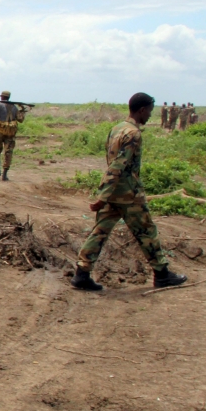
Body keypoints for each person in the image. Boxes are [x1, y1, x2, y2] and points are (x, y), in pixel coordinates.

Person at [71, 93, 186, 292]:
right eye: (149, 111)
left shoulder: (117, 129)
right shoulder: (133, 134)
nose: (150, 115)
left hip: (113, 192)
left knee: (99, 232)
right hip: (128, 194)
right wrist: (102, 196)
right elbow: (118, 165)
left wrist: (105, 193)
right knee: (147, 231)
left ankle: (82, 274)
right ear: (141, 110)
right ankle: (162, 274)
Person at [0, 90, 25, 181]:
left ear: (2, 97)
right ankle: (5, 174)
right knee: (8, 152)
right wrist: (22, 110)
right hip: (10, 133)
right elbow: (20, 119)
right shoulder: (14, 107)